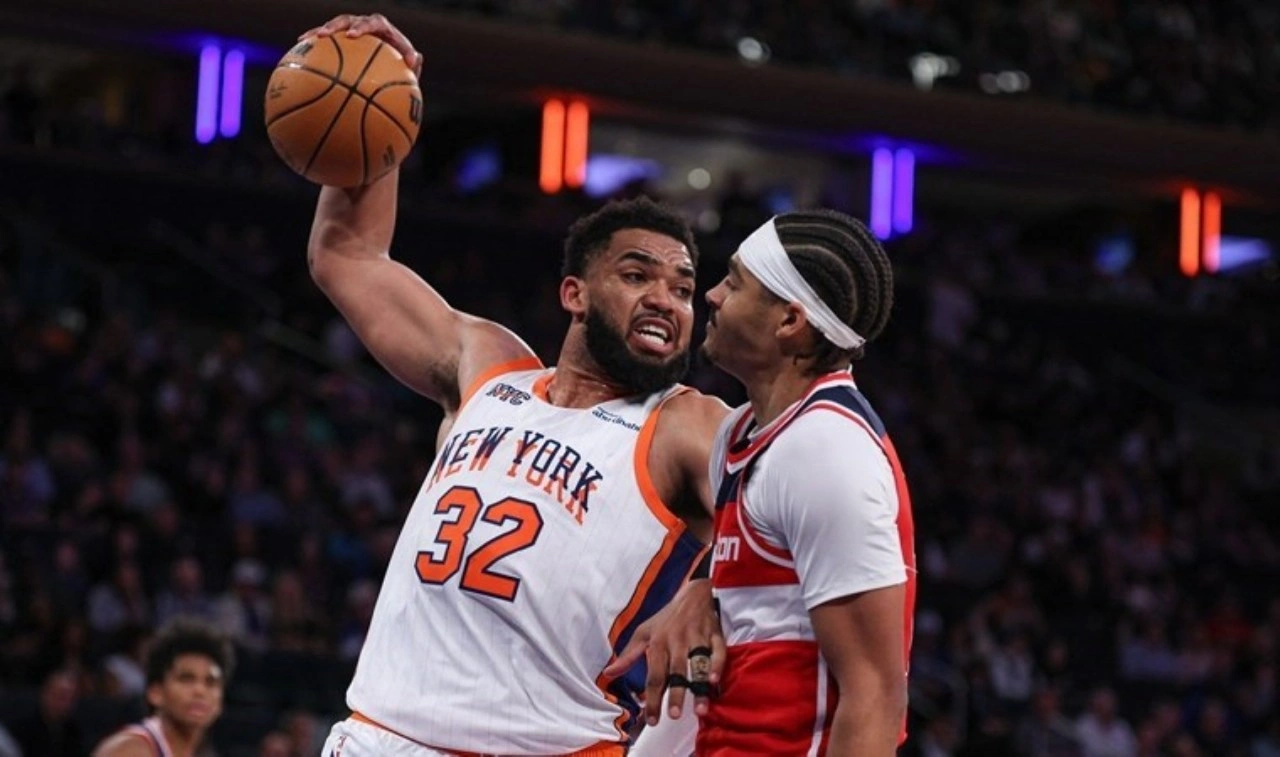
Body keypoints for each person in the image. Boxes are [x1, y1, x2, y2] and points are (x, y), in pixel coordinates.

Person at [301, 14, 727, 756]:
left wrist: (709, 590)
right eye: (637, 275)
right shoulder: (489, 369)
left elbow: (803, 519)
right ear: (574, 294)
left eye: (684, 288)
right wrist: (385, 101)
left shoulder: (686, 424)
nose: (666, 299)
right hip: (375, 737)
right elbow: (347, 254)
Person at [611, 210, 918, 756]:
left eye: (734, 283)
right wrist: (704, 591)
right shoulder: (742, 434)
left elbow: (875, 695)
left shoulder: (826, 450)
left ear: (789, 321)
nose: (712, 295)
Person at [92, 618, 234, 757]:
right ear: (156, 693)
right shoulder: (129, 750)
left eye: (210, 683)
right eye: (186, 679)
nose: (200, 691)